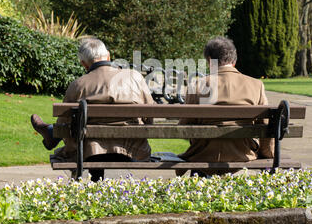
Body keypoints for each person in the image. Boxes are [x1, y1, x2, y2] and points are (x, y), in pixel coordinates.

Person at [31, 38, 154, 181]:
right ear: (108, 55)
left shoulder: (78, 85)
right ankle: (50, 133)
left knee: (75, 133)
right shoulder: (135, 78)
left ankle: (50, 134)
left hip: (89, 152)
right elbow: (149, 116)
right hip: (134, 151)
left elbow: (64, 125)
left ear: (84, 64)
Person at [176, 36, 274, 177]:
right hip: (243, 155)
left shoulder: (197, 85)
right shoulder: (256, 85)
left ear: (210, 60)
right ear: (233, 61)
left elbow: (185, 128)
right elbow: (265, 125)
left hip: (204, 155)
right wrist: (268, 155)